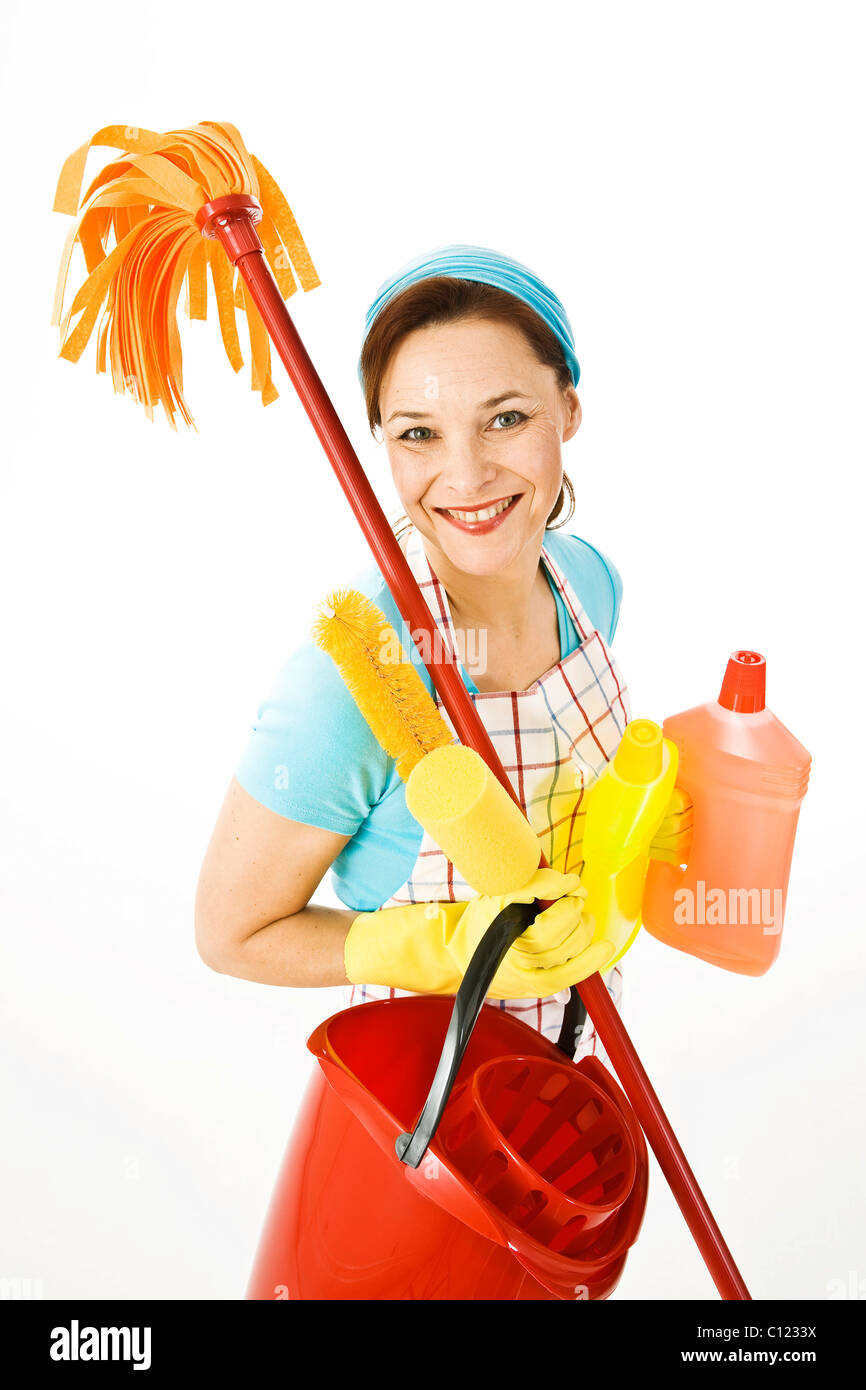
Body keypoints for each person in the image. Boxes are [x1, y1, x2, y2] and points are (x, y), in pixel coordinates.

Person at [195, 245, 674, 1062]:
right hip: (421, 1135)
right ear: (381, 441)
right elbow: (230, 933)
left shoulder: (588, 585)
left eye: (506, 418)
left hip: (575, 1088)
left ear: (569, 409)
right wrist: (440, 946)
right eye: (419, 433)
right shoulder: (357, 678)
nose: (466, 474)